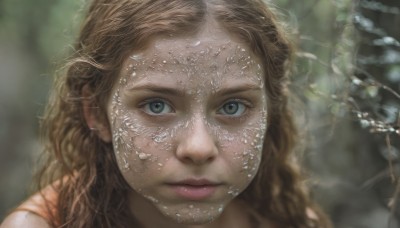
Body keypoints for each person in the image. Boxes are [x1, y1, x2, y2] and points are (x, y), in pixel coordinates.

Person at [1, 0, 332, 227]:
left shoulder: (293, 221)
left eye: (232, 107)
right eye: (156, 105)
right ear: (96, 112)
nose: (198, 147)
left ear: (269, 112)